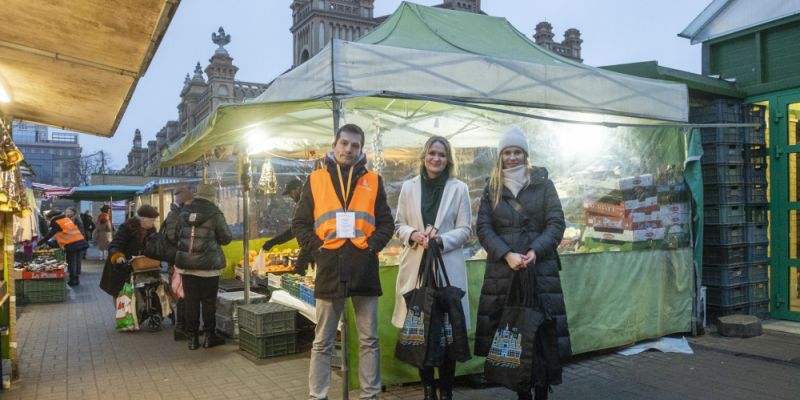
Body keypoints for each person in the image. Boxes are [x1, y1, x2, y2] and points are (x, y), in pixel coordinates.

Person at [292, 123, 394, 400]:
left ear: (361, 149)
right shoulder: (315, 179)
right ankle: (318, 395)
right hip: (330, 265)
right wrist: (318, 248)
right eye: (344, 143)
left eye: (355, 145)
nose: (349, 149)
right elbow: (300, 223)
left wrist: (372, 246)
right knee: (322, 340)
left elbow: (386, 223)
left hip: (363, 267)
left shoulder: (374, 180)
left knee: (369, 340)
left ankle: (370, 395)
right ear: (335, 144)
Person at [474, 128, 571, 400]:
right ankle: (522, 393)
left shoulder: (543, 184)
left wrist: (535, 250)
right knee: (512, 332)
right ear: (500, 156)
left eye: (517, 152)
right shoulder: (491, 188)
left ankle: (541, 392)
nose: (512, 157)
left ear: (525, 155)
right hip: (504, 275)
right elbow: (483, 228)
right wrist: (507, 254)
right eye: (507, 152)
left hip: (539, 272)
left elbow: (556, 223)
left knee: (539, 335)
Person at [393, 136, 472, 400]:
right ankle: (428, 389)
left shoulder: (459, 188)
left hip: (445, 267)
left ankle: (446, 391)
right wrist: (413, 234)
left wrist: (442, 240)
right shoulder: (408, 187)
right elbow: (398, 224)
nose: (436, 159)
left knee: (447, 332)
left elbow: (465, 229)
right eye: (431, 153)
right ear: (424, 156)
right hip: (417, 267)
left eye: (441, 154)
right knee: (421, 330)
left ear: (449, 159)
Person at [172, 184, 232, 350]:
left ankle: (192, 339)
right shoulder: (215, 213)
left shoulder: (184, 211)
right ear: (212, 197)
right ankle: (209, 336)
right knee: (208, 302)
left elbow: (175, 235)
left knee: (191, 301)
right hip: (208, 266)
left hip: (187, 265)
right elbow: (226, 238)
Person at [99, 205, 160, 298]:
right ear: (143, 219)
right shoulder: (127, 227)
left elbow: (153, 246)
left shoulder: (152, 230)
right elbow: (115, 245)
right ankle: (119, 312)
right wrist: (118, 256)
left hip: (141, 267)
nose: (153, 222)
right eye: (152, 220)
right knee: (120, 296)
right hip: (122, 267)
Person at [261, 177, 313, 275]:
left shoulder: (306, 203)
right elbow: (295, 229)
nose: (290, 196)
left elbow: (295, 230)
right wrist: (273, 242)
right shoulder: (303, 202)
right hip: (309, 247)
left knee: (299, 275)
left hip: (310, 246)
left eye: (291, 192)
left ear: (298, 189)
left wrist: (273, 242)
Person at [39, 209, 90, 286]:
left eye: (48, 219)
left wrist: (39, 243)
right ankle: (76, 280)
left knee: (71, 262)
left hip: (72, 244)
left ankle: (73, 280)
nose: (48, 221)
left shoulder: (57, 222)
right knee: (76, 262)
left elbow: (50, 234)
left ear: (51, 217)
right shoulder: (65, 219)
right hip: (80, 241)